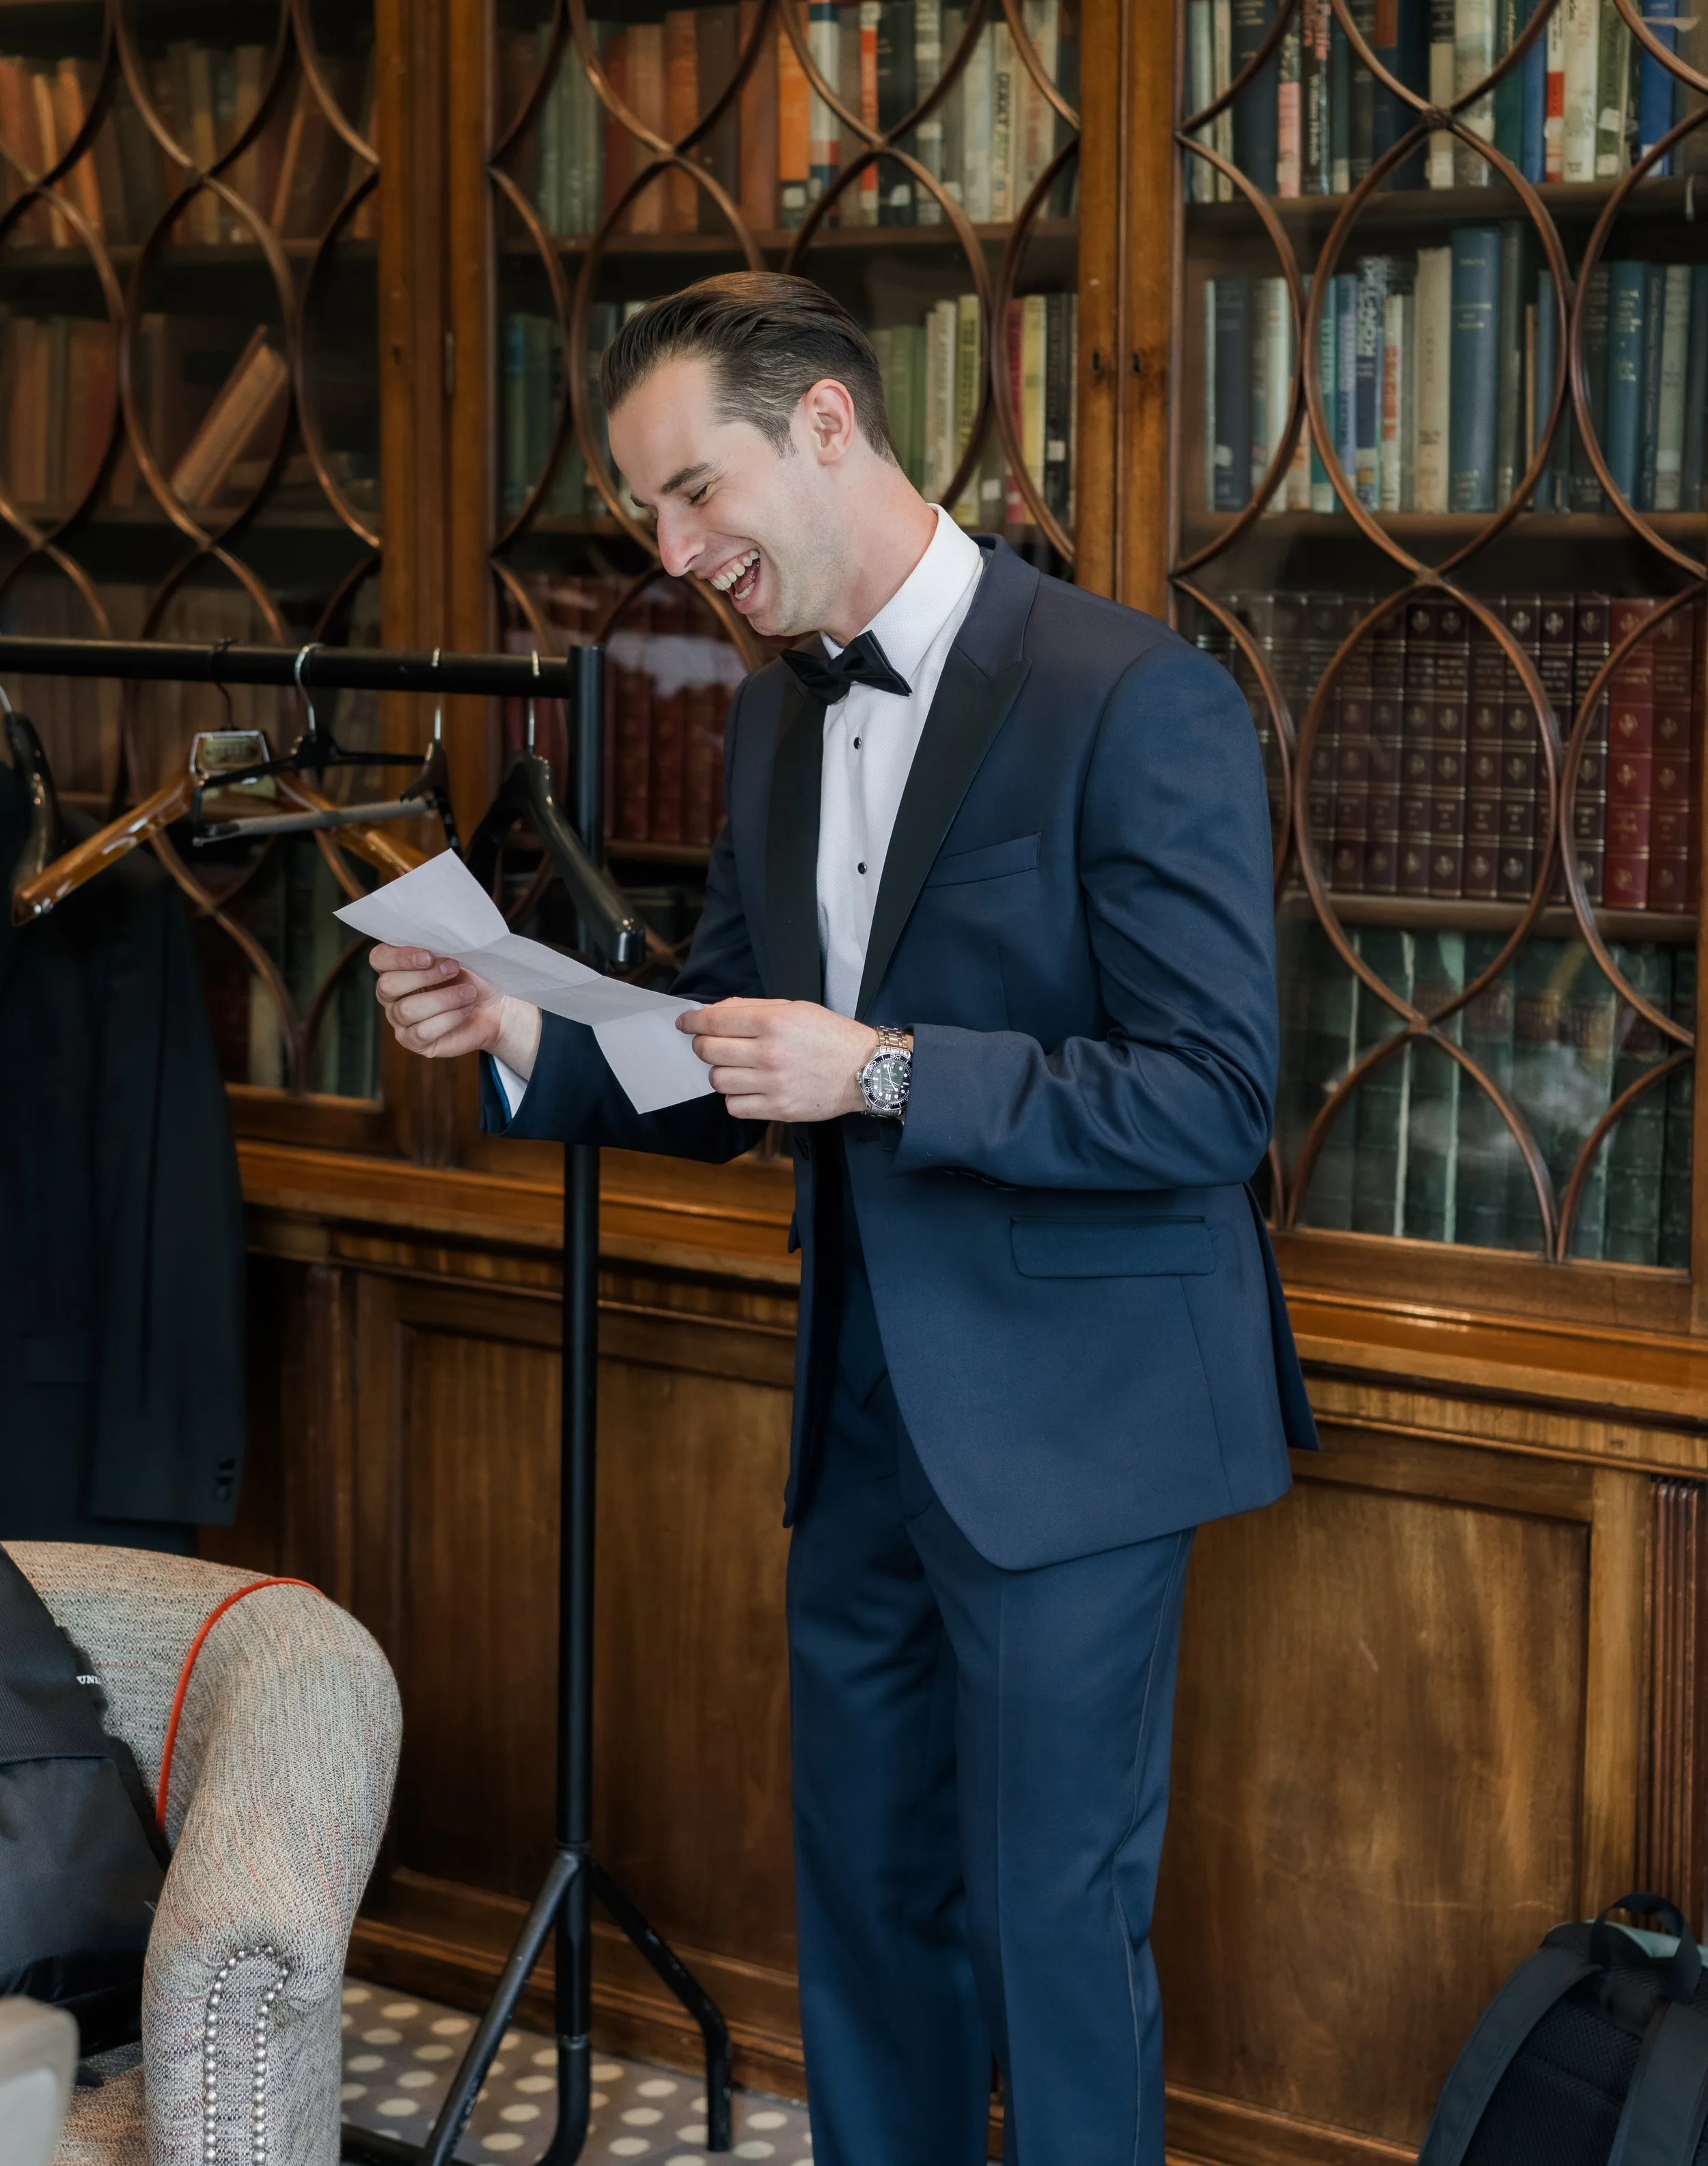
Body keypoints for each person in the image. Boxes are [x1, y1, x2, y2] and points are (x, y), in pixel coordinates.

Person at [370, 271, 1317, 2166]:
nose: (670, 550)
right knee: (866, 1912)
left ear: (824, 426)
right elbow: (729, 1051)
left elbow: (1211, 1097)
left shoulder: (1136, 694)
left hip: (1078, 1432)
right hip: (862, 1414)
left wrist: (880, 1068)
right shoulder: (771, 727)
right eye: (647, 511)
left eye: (693, 492)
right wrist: (520, 1025)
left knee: (1054, 1922)